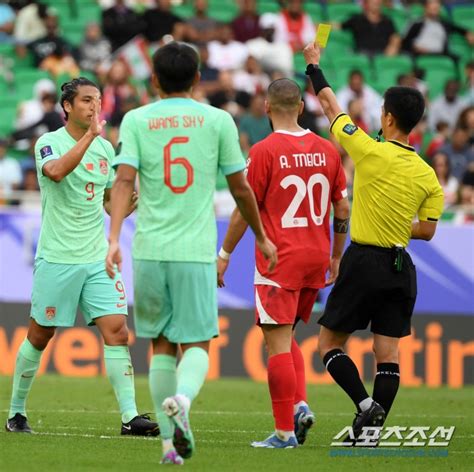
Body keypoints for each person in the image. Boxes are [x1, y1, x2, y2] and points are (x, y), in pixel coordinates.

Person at [105, 42, 277, 465]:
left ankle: (169, 447)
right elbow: (241, 188)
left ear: (155, 80)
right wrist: (261, 236)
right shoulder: (218, 120)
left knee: (160, 346)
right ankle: (183, 399)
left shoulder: (136, 119)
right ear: (199, 78)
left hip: (148, 250)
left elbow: (124, 181)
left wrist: (113, 239)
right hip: (195, 250)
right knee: (197, 342)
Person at [303, 42, 444, 445]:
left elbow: (331, 108)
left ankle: (366, 407)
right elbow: (428, 230)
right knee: (388, 355)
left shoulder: (369, 150)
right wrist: (399, 224)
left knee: (328, 344)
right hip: (401, 266)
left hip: (363, 260)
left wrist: (314, 66)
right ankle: (370, 434)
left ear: (386, 116)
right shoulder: (428, 175)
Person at [5, 78, 158, 438]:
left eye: (98, 100)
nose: (94, 106)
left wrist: (125, 206)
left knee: (118, 331)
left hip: (96, 257)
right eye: (86, 100)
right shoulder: (48, 143)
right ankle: (15, 413)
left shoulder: (105, 150)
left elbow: (105, 200)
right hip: (58, 257)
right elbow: (56, 173)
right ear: (68, 107)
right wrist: (89, 138)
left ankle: (129, 417)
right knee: (40, 335)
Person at [217, 78, 350, 449]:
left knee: (275, 343)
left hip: (280, 257)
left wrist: (224, 254)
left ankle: (284, 433)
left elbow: (245, 210)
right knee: (286, 335)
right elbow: (342, 207)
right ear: (303, 107)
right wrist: (337, 255)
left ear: (266, 108)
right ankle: (300, 405)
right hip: (315, 256)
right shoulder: (328, 150)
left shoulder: (264, 150)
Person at [402, 0, 474, 57]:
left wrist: (467, 32)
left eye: (437, 6)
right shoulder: (416, 23)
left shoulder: (444, 24)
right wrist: (414, 47)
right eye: (432, 6)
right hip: (420, 56)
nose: (436, 7)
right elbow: (405, 42)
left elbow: (458, 29)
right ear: (425, 8)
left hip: (441, 55)